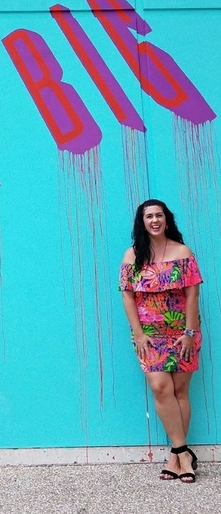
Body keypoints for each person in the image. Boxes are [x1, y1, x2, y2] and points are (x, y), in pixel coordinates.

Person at [119, 199, 202, 483]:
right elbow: (127, 295)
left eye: (159, 215)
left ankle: (176, 457)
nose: (154, 220)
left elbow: (192, 294)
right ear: (141, 222)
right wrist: (138, 333)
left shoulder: (182, 252)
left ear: (167, 220)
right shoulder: (132, 255)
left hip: (182, 333)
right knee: (160, 388)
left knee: (180, 391)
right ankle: (183, 452)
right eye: (149, 216)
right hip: (149, 336)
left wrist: (189, 333)